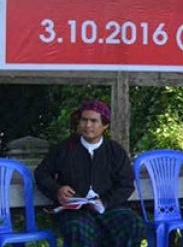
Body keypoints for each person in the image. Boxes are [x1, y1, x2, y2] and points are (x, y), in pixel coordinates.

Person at [34, 100, 144, 247]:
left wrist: (105, 202)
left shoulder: (115, 151)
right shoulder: (64, 148)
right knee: (77, 228)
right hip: (74, 211)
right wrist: (57, 190)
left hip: (109, 207)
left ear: (105, 125)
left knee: (132, 223)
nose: (87, 125)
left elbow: (126, 184)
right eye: (84, 120)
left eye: (93, 121)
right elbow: (42, 173)